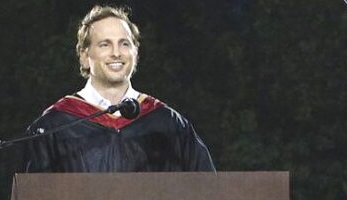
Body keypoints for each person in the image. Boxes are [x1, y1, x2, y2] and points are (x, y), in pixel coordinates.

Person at [23, 5, 215, 173]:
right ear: (84, 56)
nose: (116, 53)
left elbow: (209, 193)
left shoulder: (168, 123)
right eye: (105, 44)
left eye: (124, 44)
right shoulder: (54, 126)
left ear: (135, 53)